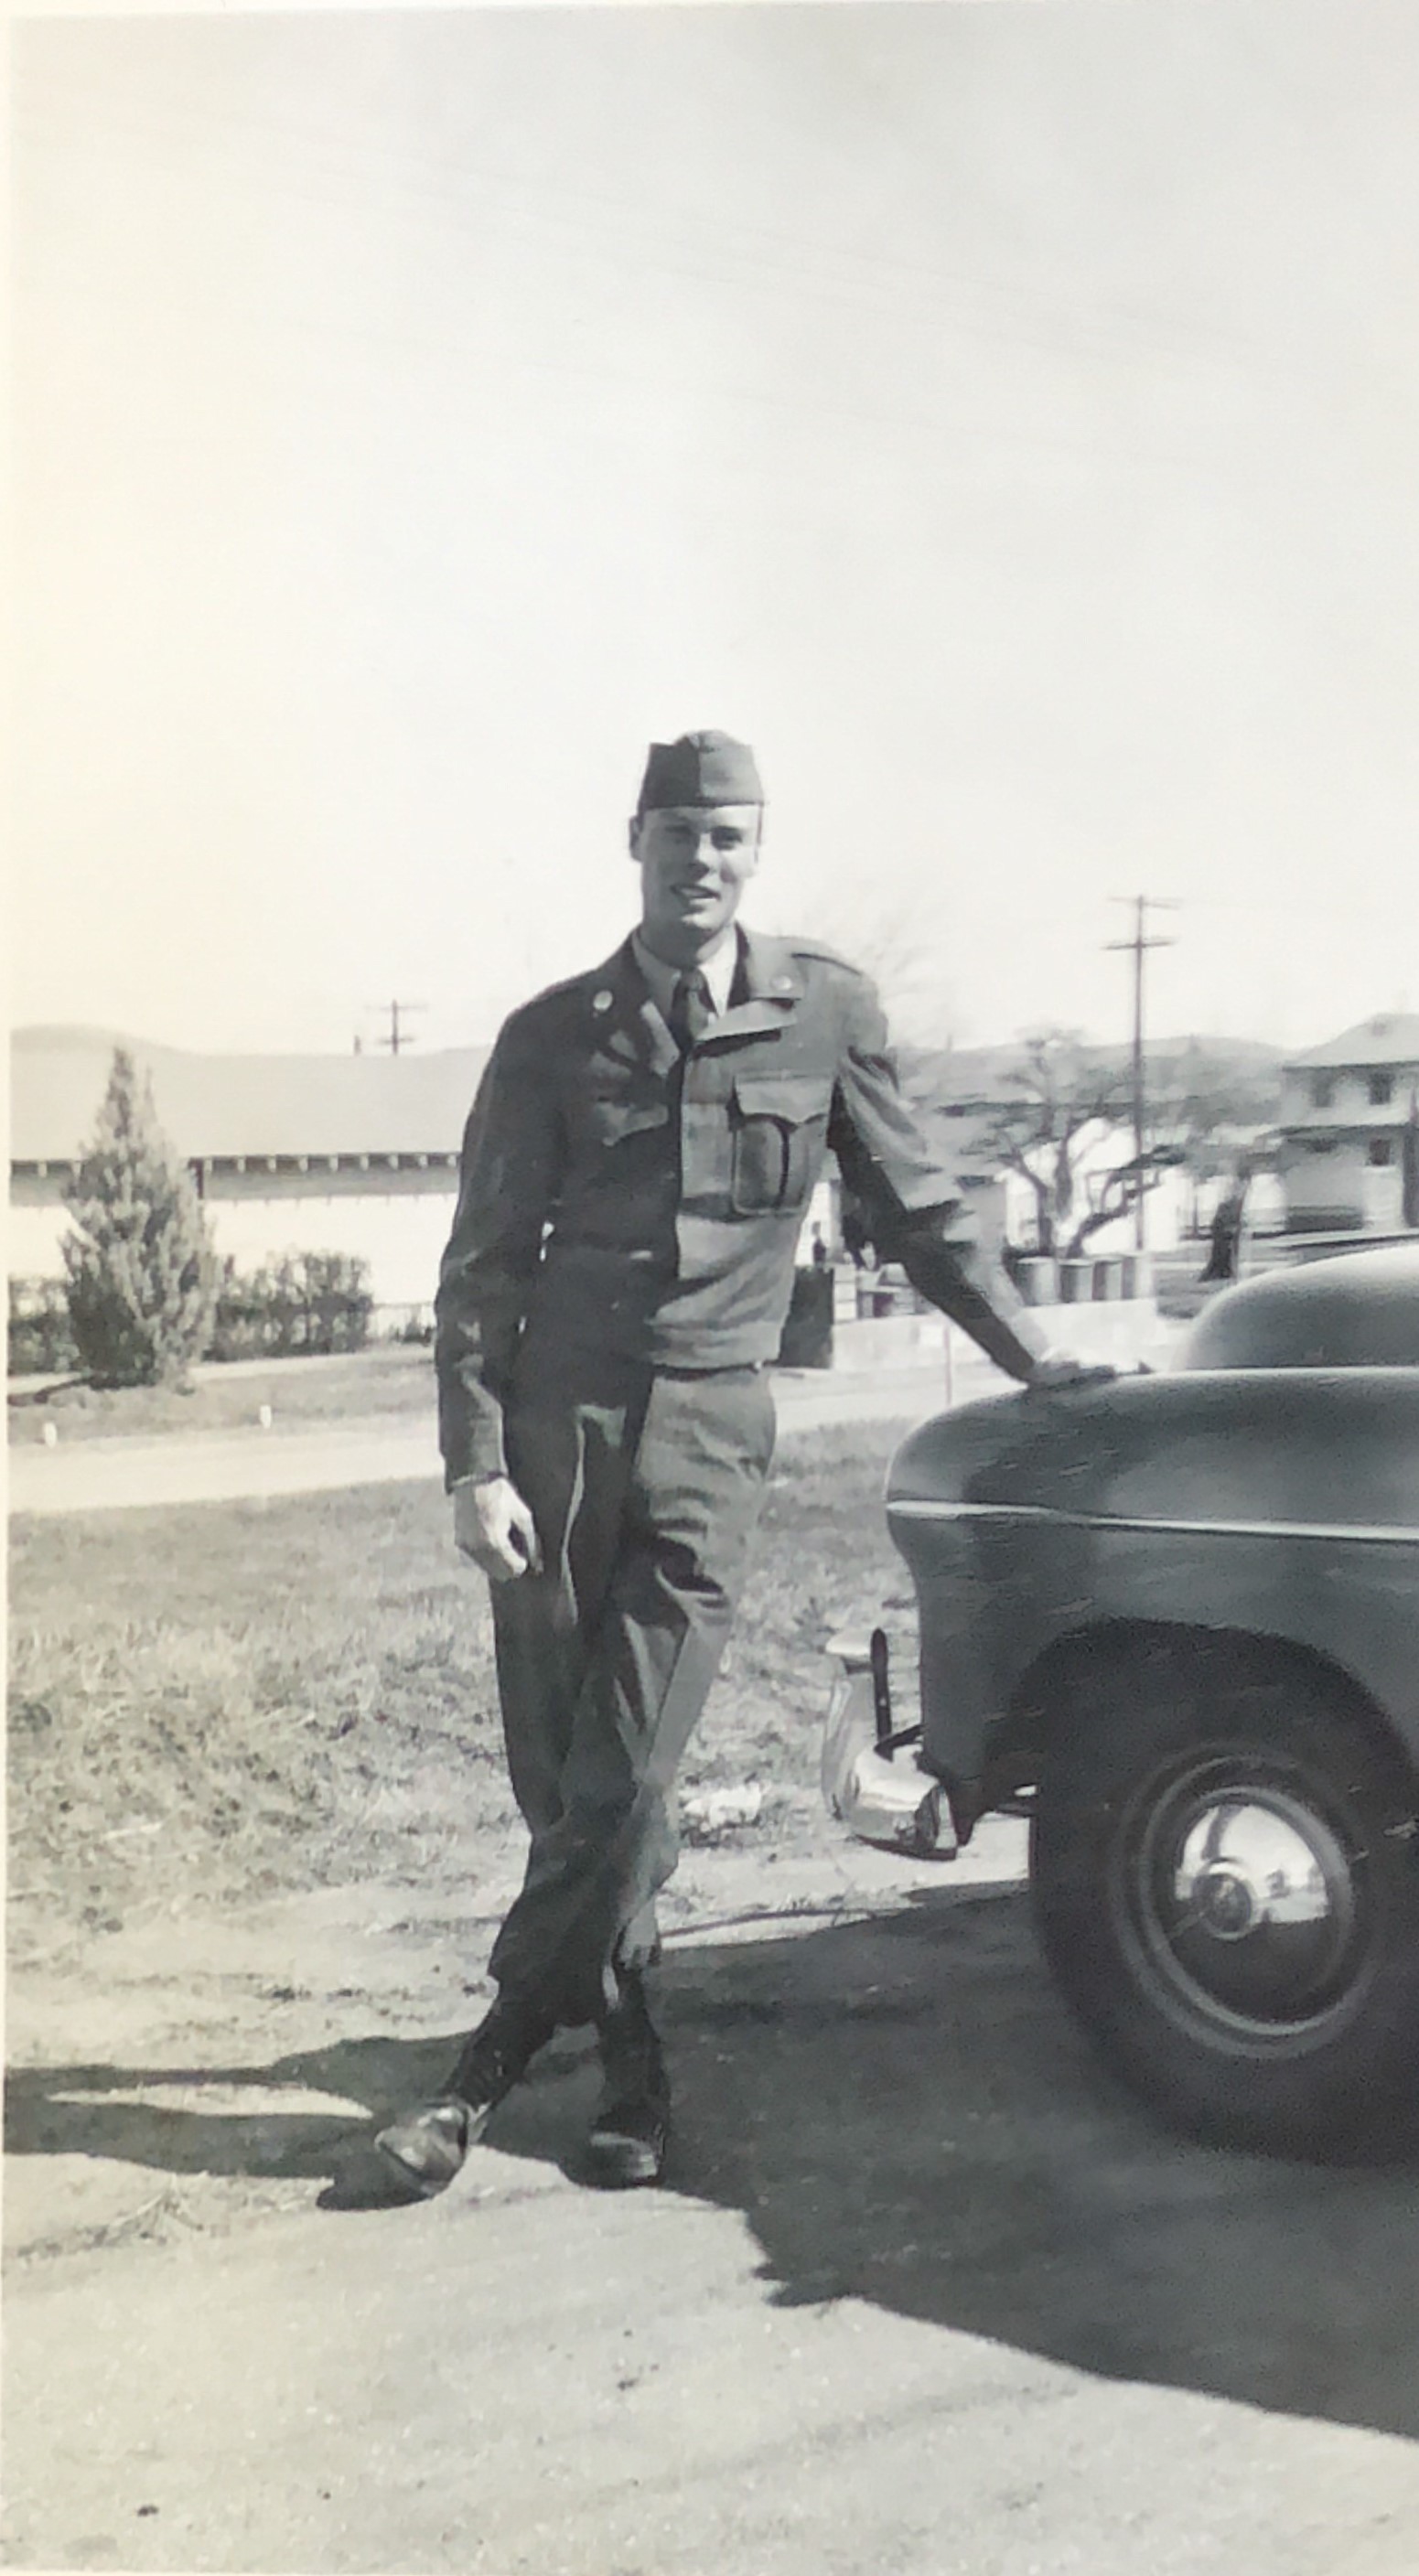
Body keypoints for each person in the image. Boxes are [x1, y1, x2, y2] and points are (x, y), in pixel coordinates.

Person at [374, 729, 1101, 2198]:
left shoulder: (823, 1011)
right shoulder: (549, 1038)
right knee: (570, 1778)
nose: (698, 862)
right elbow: (478, 1274)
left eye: (728, 839)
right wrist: (474, 1466)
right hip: (555, 1442)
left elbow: (922, 1208)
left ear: (753, 853)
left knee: (631, 1766)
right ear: (632, 840)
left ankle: (479, 2072)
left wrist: (1036, 1352)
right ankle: (636, 2070)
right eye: (676, 834)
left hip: (710, 1439)